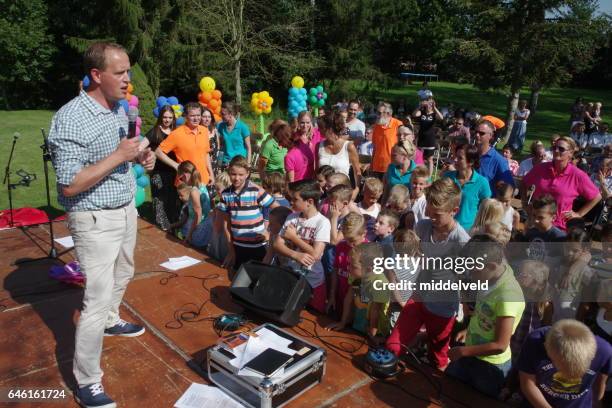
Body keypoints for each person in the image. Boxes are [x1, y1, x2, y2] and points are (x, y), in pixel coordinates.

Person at [47, 42, 156, 408]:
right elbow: (69, 184)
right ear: (97, 75)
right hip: (93, 217)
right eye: (120, 72)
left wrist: (142, 154)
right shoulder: (71, 117)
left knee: (124, 272)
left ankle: (112, 318)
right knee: (94, 298)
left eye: (128, 71)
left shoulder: (117, 108)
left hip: (125, 209)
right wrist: (118, 157)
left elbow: (124, 151)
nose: (128, 79)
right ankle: (88, 381)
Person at [386, 178, 470, 370]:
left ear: (454, 211)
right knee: (392, 346)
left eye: (436, 215)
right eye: (428, 212)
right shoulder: (423, 226)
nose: (430, 217)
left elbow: (467, 280)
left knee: (437, 360)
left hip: (442, 306)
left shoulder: (462, 241)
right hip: (418, 297)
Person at [447, 236, 525, 399]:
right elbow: (486, 315)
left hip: (489, 367)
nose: (470, 275)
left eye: (473, 271)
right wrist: (469, 330)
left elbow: (500, 344)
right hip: (470, 352)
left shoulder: (508, 297)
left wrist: (463, 351)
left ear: (490, 266)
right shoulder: (491, 275)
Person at [518, 319, 611, 408]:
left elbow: (600, 384)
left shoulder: (604, 351)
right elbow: (528, 383)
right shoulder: (535, 341)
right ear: (548, 350)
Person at [273, 179, 331, 313]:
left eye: (295, 199)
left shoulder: (322, 222)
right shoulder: (292, 217)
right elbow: (277, 244)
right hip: (292, 276)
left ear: (309, 202)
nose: (291, 202)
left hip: (314, 281)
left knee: (314, 316)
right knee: (288, 312)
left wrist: (294, 238)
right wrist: (295, 255)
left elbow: (316, 255)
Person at [522, 136, 601, 231]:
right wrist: (524, 203)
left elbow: (597, 197)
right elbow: (523, 183)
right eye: (554, 147)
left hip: (559, 227)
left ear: (571, 153)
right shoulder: (541, 168)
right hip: (534, 223)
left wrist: (578, 214)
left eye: (561, 149)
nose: (556, 150)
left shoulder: (577, 175)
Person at [219, 156, 278, 272]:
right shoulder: (225, 195)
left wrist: (270, 232)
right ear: (229, 172)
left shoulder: (256, 191)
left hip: (258, 247)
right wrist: (231, 252)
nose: (237, 178)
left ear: (247, 174)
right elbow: (226, 226)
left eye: (241, 175)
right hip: (238, 247)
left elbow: (278, 208)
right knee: (237, 279)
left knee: (258, 280)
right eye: (233, 174)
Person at [157, 102, 215, 186]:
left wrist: (211, 174)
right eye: (192, 116)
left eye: (198, 115)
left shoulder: (204, 130)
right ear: (186, 117)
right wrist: (176, 165)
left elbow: (206, 154)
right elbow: (158, 152)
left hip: (204, 181)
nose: (196, 118)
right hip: (186, 183)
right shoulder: (177, 134)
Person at [444, 143, 492, 232]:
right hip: (445, 228)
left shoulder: (482, 183)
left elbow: (486, 210)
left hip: (468, 231)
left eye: (460, 158)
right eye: (455, 156)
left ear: (471, 162)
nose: (455, 160)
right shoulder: (447, 177)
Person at [145, 105, 178, 230]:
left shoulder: (175, 132)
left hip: (173, 172)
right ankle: (160, 229)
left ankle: (172, 227)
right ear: (160, 117)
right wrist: (148, 155)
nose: (167, 120)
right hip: (158, 173)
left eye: (170, 117)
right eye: (164, 117)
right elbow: (141, 147)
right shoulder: (155, 131)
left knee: (172, 200)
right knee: (160, 201)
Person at [317, 111, 361, 187]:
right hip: (323, 193)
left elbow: (357, 172)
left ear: (330, 128)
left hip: (343, 192)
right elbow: (317, 171)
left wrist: (356, 191)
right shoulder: (318, 146)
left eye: (321, 127)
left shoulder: (349, 146)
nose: (318, 130)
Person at [176, 161, 211, 248]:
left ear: (185, 175)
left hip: (198, 228)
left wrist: (189, 234)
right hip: (205, 224)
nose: (182, 181)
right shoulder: (202, 185)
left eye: (181, 178)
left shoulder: (194, 191)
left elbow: (198, 215)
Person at [474, 120, 515, 191]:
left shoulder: (499, 160)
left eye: (481, 133)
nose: (477, 135)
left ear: (491, 136)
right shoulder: (470, 153)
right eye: (476, 132)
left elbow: (509, 187)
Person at [285, 111, 322, 182]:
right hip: (298, 178)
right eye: (302, 123)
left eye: (308, 122)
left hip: (313, 177)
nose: (305, 126)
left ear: (311, 122)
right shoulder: (293, 137)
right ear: (298, 122)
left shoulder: (317, 134)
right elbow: (290, 158)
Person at [371, 102, 403, 178]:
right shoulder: (376, 126)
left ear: (388, 114)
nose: (377, 115)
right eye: (377, 112)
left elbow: (402, 145)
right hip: (377, 166)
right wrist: (372, 164)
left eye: (380, 113)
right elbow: (375, 148)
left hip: (392, 167)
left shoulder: (398, 124)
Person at [218, 101, 251, 166]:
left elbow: (248, 147)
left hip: (239, 162)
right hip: (225, 162)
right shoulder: (220, 126)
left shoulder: (242, 127)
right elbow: (220, 144)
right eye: (220, 113)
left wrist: (248, 164)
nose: (221, 116)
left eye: (223, 114)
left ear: (231, 114)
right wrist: (219, 162)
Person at [413, 97, 443, 165]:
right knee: (420, 158)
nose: (429, 105)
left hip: (430, 139)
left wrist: (434, 107)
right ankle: (421, 173)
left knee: (430, 159)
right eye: (428, 103)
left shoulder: (434, 114)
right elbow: (414, 114)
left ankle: (429, 175)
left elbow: (441, 118)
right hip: (421, 138)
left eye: (431, 103)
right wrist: (420, 106)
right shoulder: (421, 112)